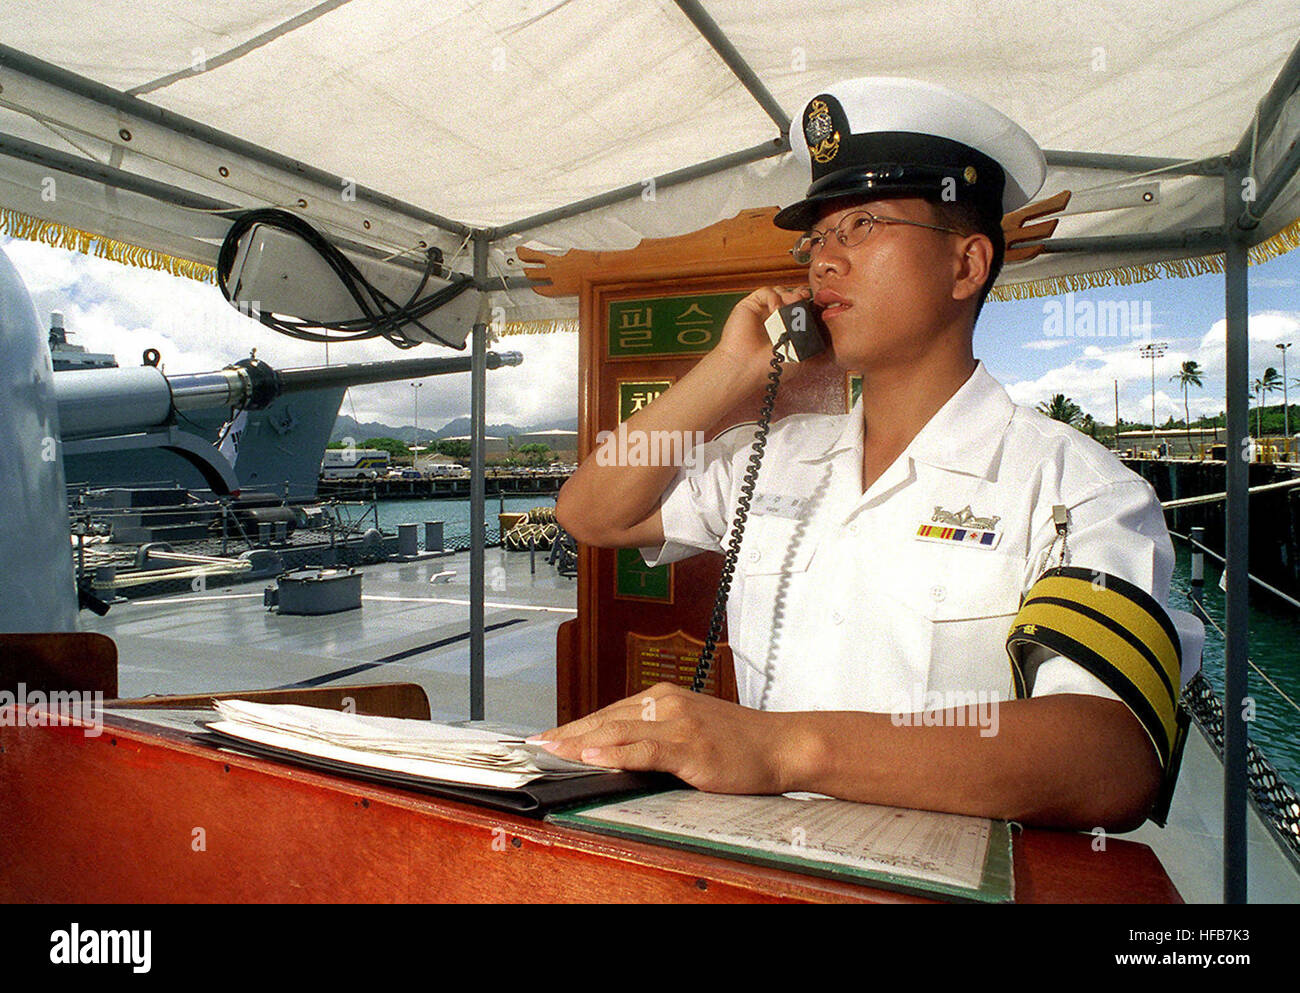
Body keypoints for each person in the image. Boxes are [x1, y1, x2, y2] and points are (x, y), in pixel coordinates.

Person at [541, 78, 1192, 831]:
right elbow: (589, 512)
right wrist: (731, 367)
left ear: (966, 265)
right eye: (816, 238)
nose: (823, 261)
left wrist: (785, 748)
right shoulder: (779, 457)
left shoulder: (1074, 487)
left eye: (861, 225)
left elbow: (1110, 756)